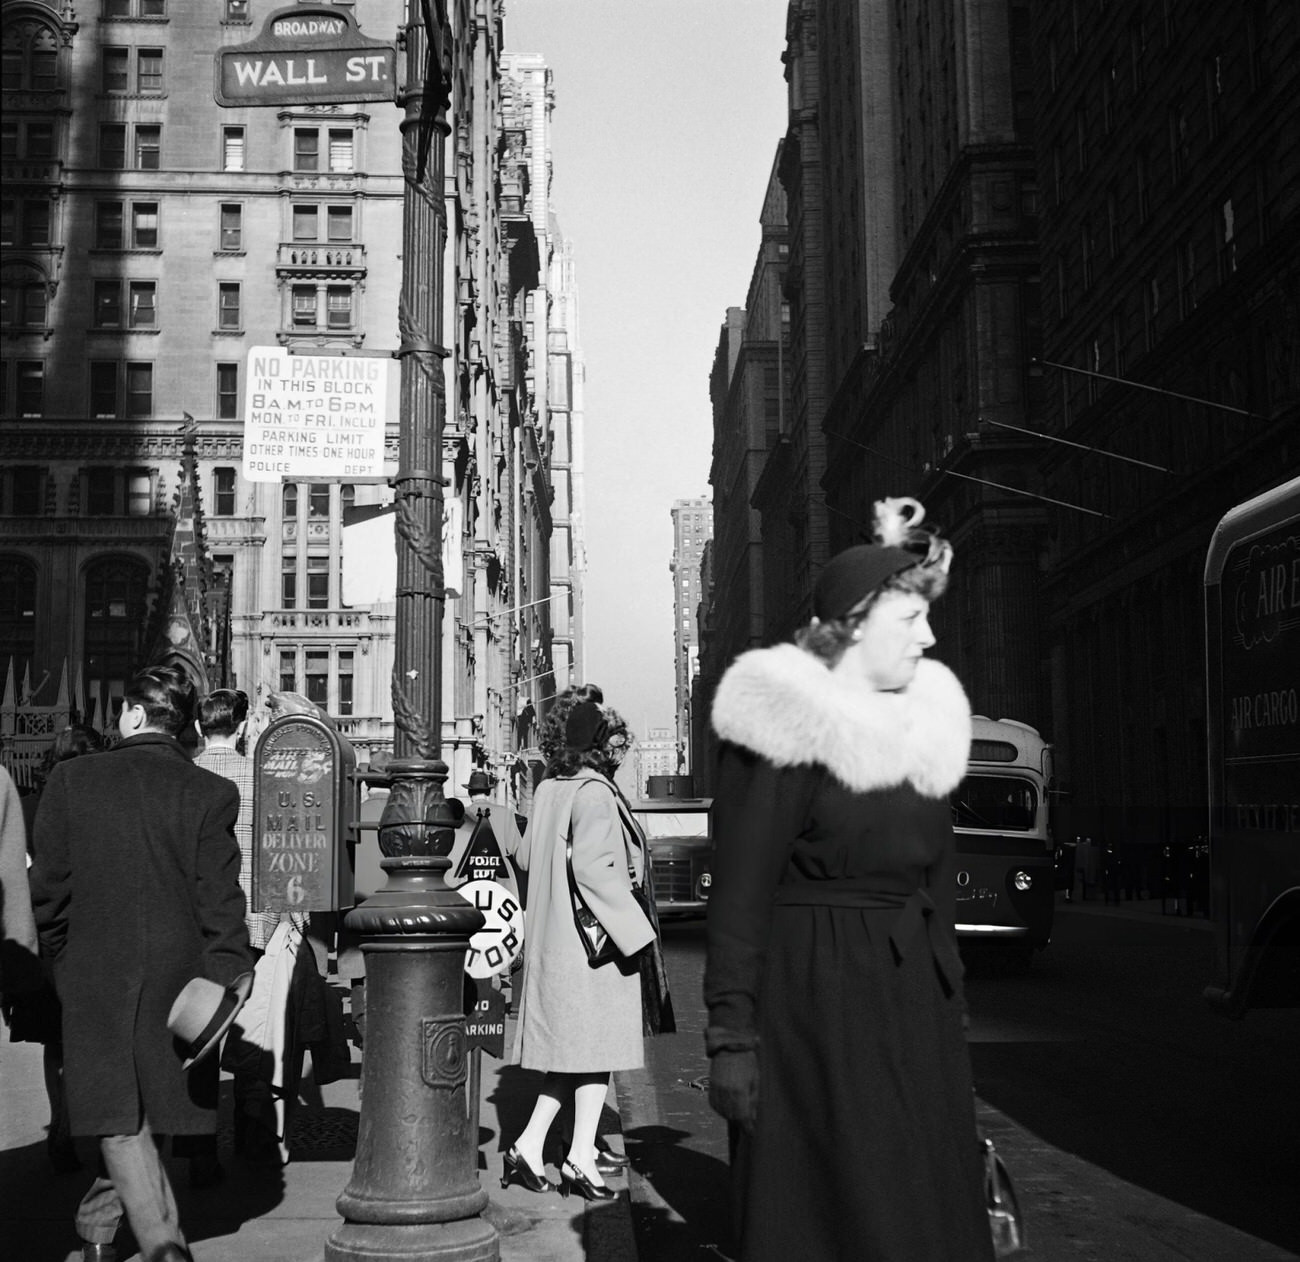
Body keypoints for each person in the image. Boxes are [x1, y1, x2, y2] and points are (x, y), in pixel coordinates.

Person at [704, 497, 994, 1262]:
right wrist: (732, 1037)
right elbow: (739, 893)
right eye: (910, 621)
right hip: (815, 1000)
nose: (929, 637)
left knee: (924, 1194)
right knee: (833, 1200)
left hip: (911, 1001)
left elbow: (937, 880)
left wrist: (951, 998)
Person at [30, 665, 253, 1262]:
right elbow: (223, 904)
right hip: (180, 985)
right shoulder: (209, 792)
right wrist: (228, 976)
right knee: (130, 1115)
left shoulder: (72, 781)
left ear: (130, 715)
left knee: (121, 1119)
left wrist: (64, 964)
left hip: (93, 975)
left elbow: (47, 893)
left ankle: (161, 1247)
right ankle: (104, 1232)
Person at [504, 688, 656, 1201]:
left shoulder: (550, 788)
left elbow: (525, 856)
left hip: (556, 938)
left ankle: (561, 1151)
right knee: (590, 1050)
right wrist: (635, 928)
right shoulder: (592, 793)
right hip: (593, 943)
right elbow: (594, 870)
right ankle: (569, 1154)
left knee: (586, 1053)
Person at [6, 725, 105, 1175]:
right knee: (94, 1039)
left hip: (41, 939)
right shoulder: (98, 809)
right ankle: (89, 1124)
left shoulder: (27, 807)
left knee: (55, 1042)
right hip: (90, 938)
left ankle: (61, 1127)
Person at [191, 688, 283, 1170]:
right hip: (252, 922)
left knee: (201, 1032)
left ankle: (202, 1148)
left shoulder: (186, 776)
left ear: (201, 728)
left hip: (197, 924)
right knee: (250, 1025)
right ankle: (252, 1131)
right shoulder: (260, 779)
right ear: (244, 727)